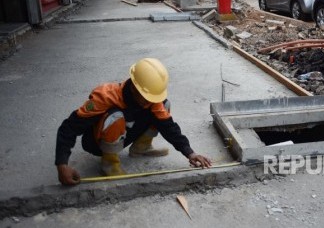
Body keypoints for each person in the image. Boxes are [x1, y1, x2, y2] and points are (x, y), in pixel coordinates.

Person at [55, 58, 212, 186]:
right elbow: (69, 128)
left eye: (151, 98)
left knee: (164, 106)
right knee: (115, 116)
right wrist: (62, 165)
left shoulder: (151, 100)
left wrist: (190, 152)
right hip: (97, 142)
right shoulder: (105, 97)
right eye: (146, 97)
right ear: (134, 87)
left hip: (126, 131)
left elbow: (168, 126)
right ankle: (109, 164)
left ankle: (140, 148)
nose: (149, 102)